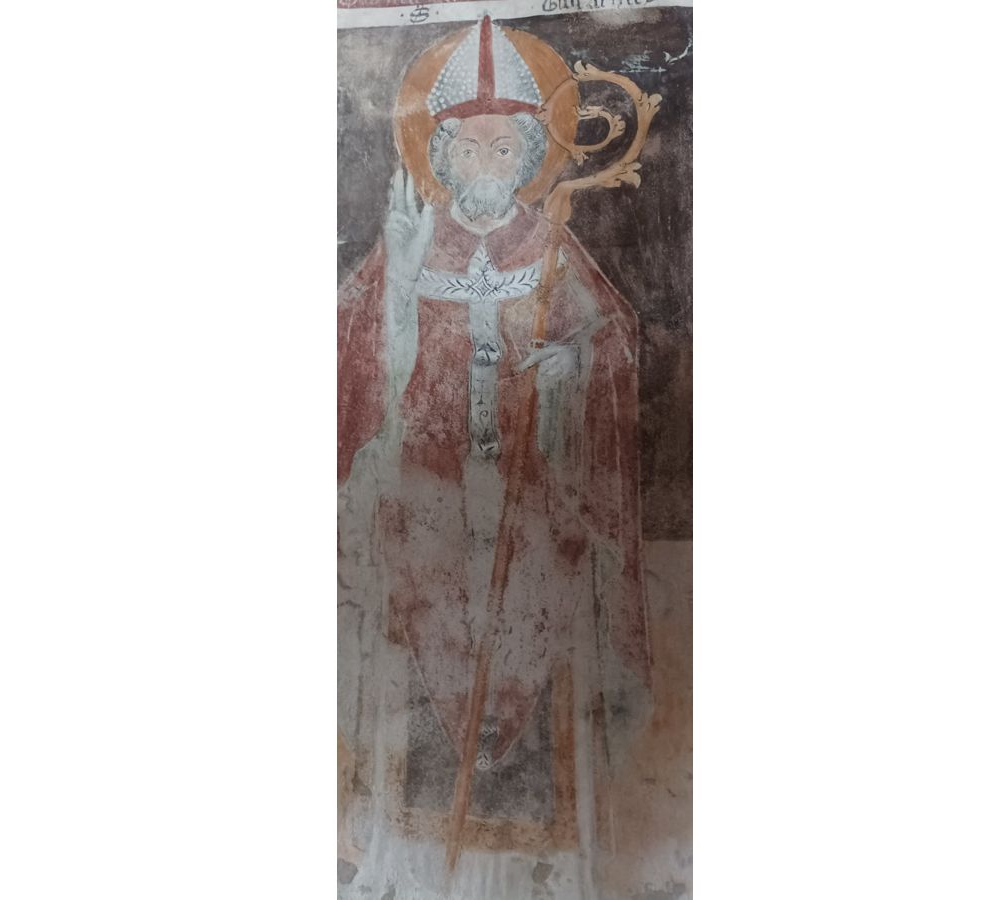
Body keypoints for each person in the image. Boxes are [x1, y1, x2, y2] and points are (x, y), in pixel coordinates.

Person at [338, 16, 652, 899]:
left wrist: (570, 371)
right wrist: (402, 285)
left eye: (502, 146)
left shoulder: (550, 251)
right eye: (467, 147)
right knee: (421, 661)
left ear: (528, 157)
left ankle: (532, 875)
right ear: (439, 156)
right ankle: (412, 866)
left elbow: (612, 344)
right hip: (428, 515)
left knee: (534, 659)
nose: (484, 163)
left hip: (533, 514)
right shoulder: (409, 241)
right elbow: (351, 361)